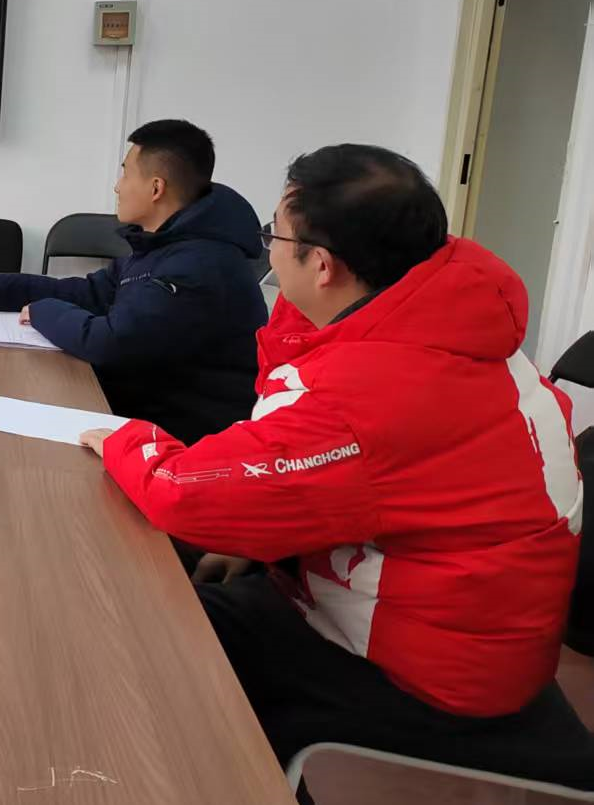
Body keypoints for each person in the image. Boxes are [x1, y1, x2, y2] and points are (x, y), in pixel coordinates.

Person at [79, 144, 591, 792]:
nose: (268, 250)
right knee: (169, 589)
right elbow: (363, 479)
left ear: (322, 264)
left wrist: (123, 438)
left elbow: (184, 491)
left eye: (274, 234)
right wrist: (262, 542)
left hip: (432, 671)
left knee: (134, 632)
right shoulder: (446, 317)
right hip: (468, 623)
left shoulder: (368, 392)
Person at [0, 119, 266, 446]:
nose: (117, 187)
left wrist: (43, 311)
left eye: (125, 174)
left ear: (156, 188)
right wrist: (0, 290)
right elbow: (93, 292)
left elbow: (112, 343)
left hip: (185, 440)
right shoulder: (163, 245)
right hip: (139, 407)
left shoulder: (199, 265)